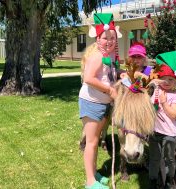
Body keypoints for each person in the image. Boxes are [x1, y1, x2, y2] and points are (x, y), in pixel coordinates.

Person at [78, 13, 122, 189]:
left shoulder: (109, 55)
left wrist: (121, 73)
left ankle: (94, 173)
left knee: (95, 141)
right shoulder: (97, 55)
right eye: (105, 38)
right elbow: (88, 78)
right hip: (91, 103)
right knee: (92, 142)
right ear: (98, 37)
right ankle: (90, 181)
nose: (109, 41)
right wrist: (110, 90)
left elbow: (107, 74)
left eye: (112, 38)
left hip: (102, 103)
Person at [149, 51, 176, 189]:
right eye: (163, 78)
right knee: (154, 158)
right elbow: (138, 89)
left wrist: (164, 103)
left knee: (169, 159)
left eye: (171, 79)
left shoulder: (174, 96)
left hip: (170, 135)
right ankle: (154, 180)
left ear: (175, 81)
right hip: (154, 133)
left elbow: (174, 115)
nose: (166, 82)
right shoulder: (154, 91)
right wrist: (152, 82)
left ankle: (169, 180)